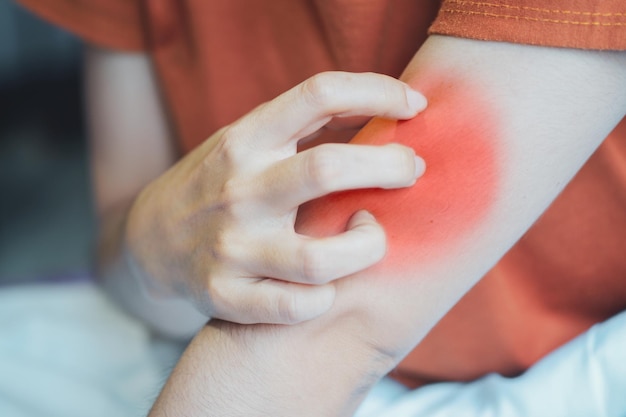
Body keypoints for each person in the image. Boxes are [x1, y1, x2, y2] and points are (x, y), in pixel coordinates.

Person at [16, 0, 626, 414]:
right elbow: (129, 252)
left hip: (569, 369)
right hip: (229, 357)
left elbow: (321, 333)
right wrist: (153, 241)